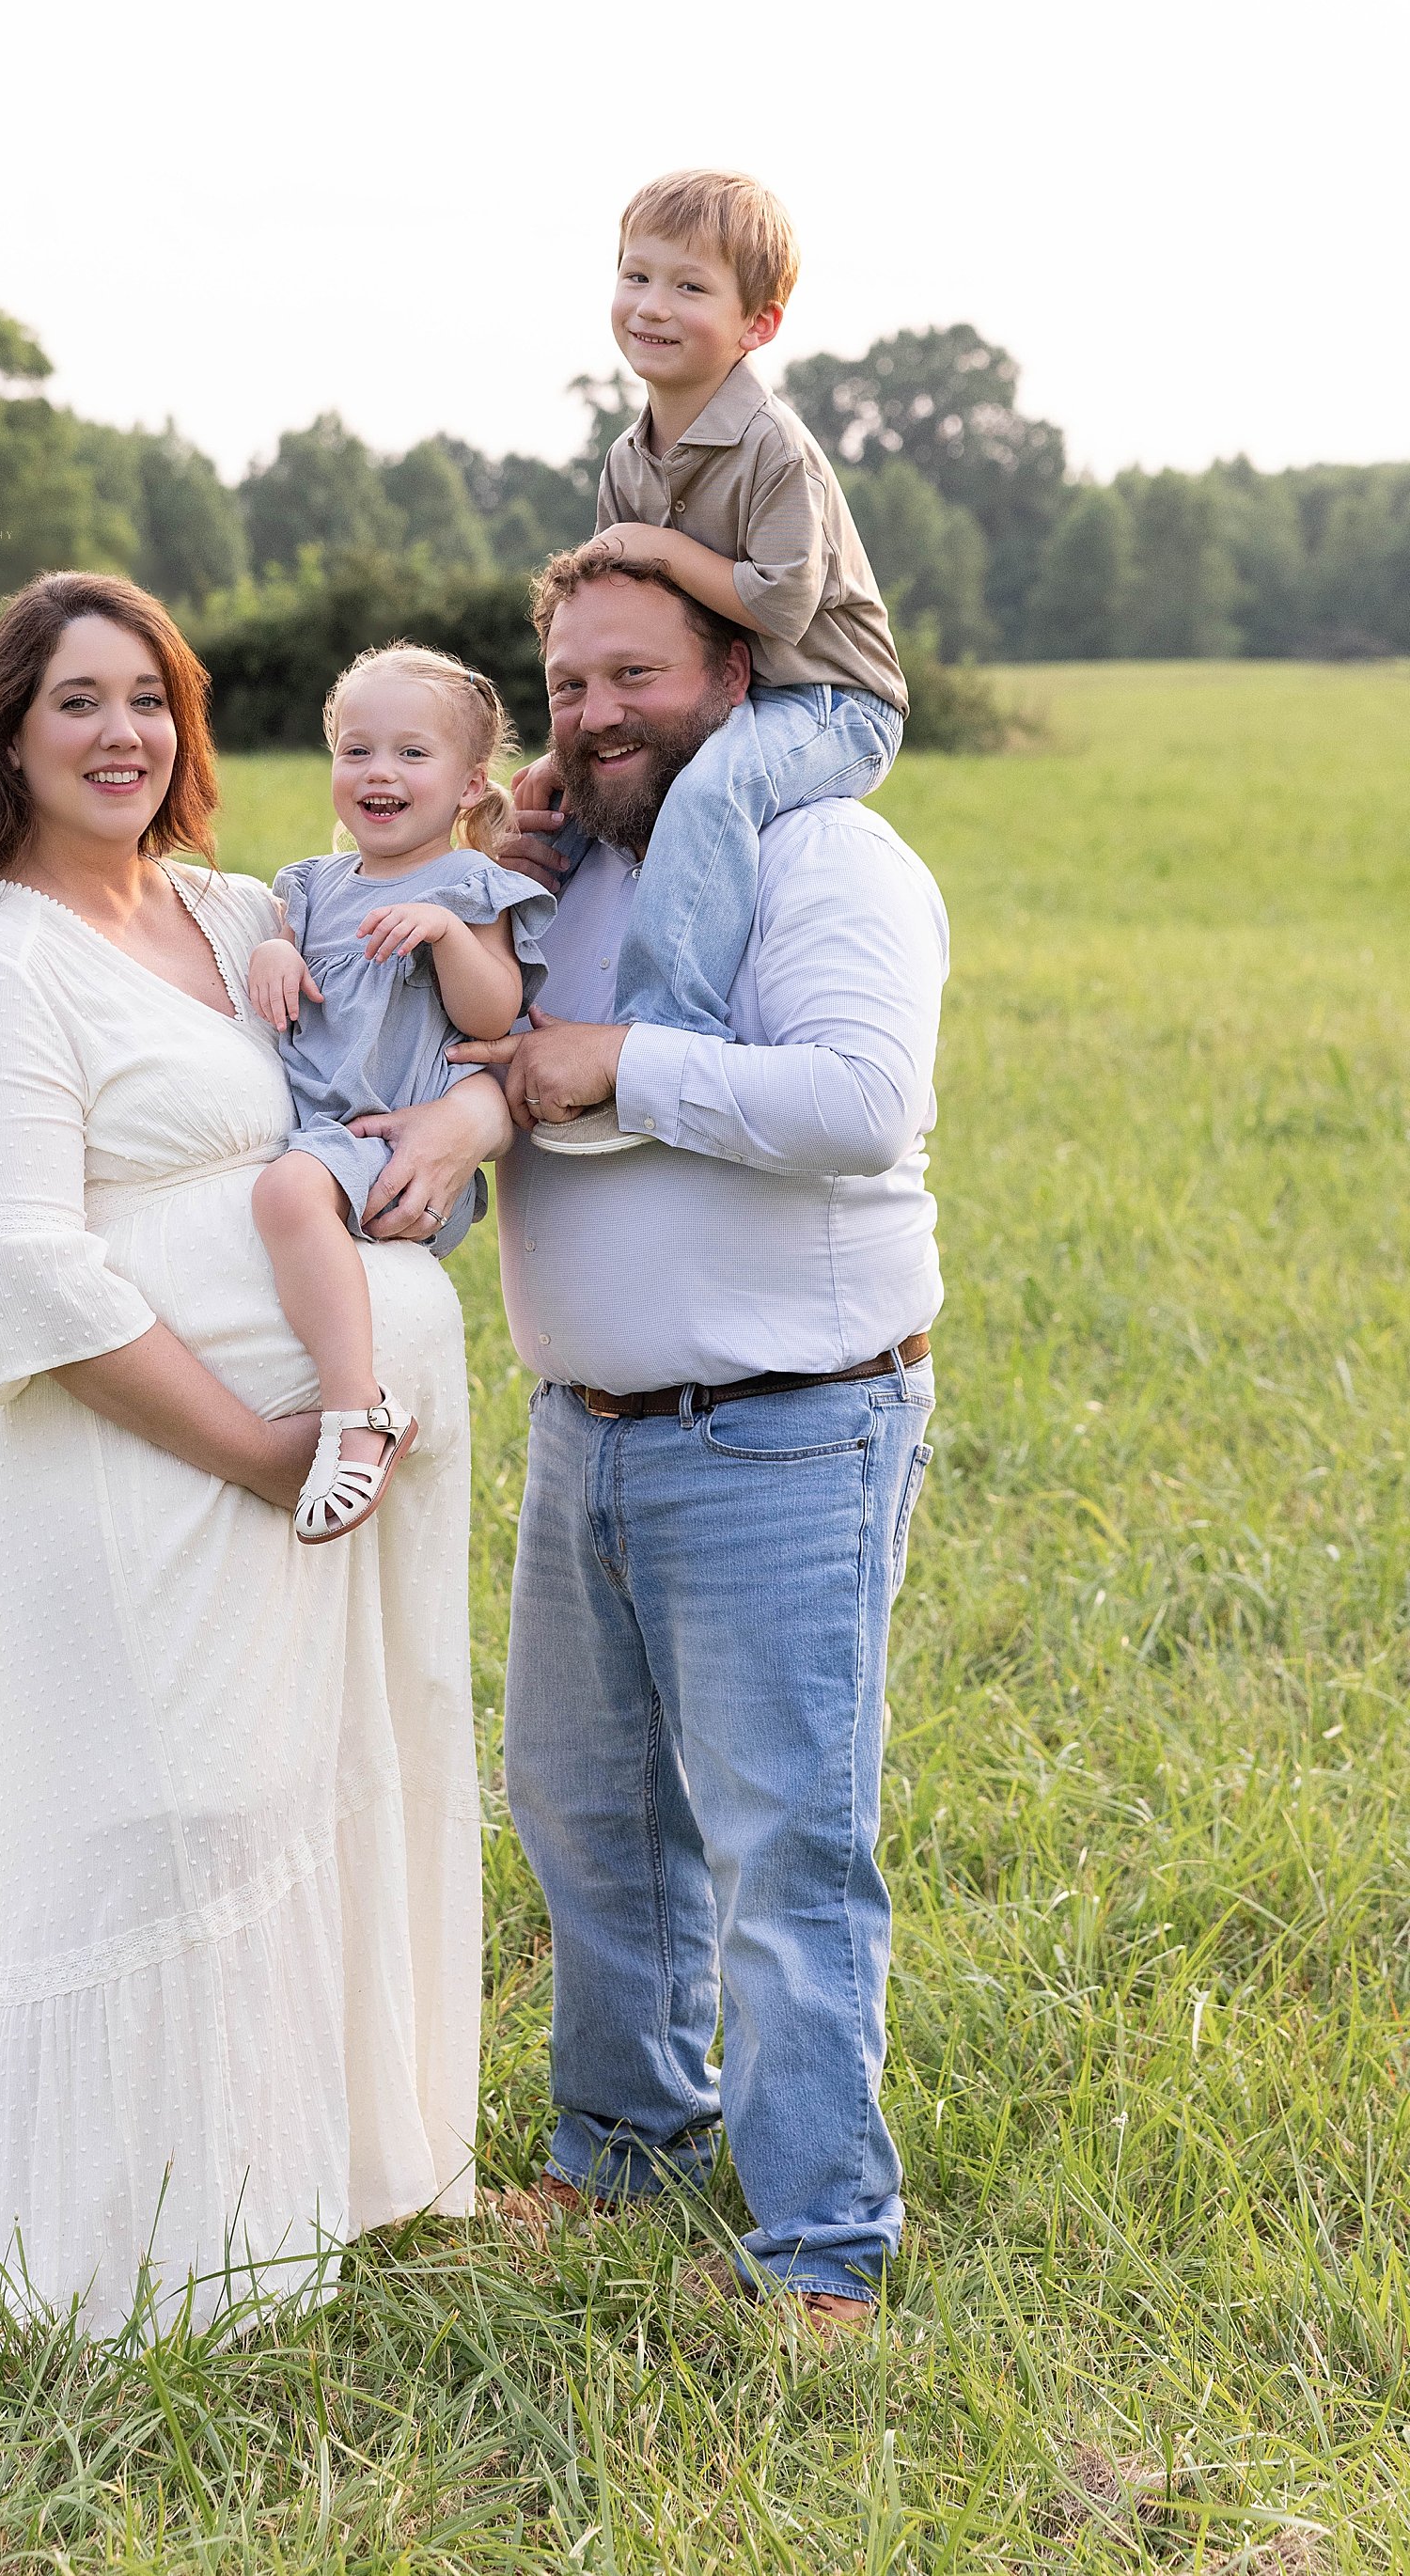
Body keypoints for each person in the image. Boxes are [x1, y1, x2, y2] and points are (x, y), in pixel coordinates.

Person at [0, 571, 508, 2340]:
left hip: (322, 1468)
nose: (121, 733)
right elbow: (19, 1265)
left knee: (306, 1786)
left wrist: (463, 1112)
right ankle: (136, 2256)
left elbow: (469, 1004)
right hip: (152, 1458)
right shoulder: (3, 965)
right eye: (77, 700)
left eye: (148, 697)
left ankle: (303, 2192)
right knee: (177, 1811)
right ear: (5, 729)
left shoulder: (234, 916)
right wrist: (258, 1445)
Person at [462, 547, 948, 2339]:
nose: (596, 712)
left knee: (779, 1848)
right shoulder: (569, 872)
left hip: (784, 1433)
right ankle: (624, 2143)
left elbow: (857, 1098)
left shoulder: (825, 855)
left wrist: (622, 1065)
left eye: (635, 675)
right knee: (591, 1823)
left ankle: (828, 2243)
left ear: (736, 677)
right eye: (570, 681)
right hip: (583, 1430)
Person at [522, 167, 910, 1155]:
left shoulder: (774, 447)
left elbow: (780, 599)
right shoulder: (627, 456)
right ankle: (496, 993)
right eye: (634, 276)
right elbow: (615, 608)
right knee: (558, 792)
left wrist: (659, 549)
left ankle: (659, 1035)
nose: (651, 306)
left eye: (688, 287)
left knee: (711, 790)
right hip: (729, 690)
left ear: (757, 324)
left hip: (830, 698)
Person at [245, 646, 554, 1544]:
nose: (379, 772)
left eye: (412, 755)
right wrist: (273, 952)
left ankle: (357, 1414)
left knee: (284, 1192)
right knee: (280, 1193)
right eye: (356, 750)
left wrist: (449, 937)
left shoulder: (468, 886)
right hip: (325, 1129)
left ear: (467, 786)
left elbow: (498, 1011)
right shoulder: (308, 886)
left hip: (395, 1141)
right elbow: (279, 958)